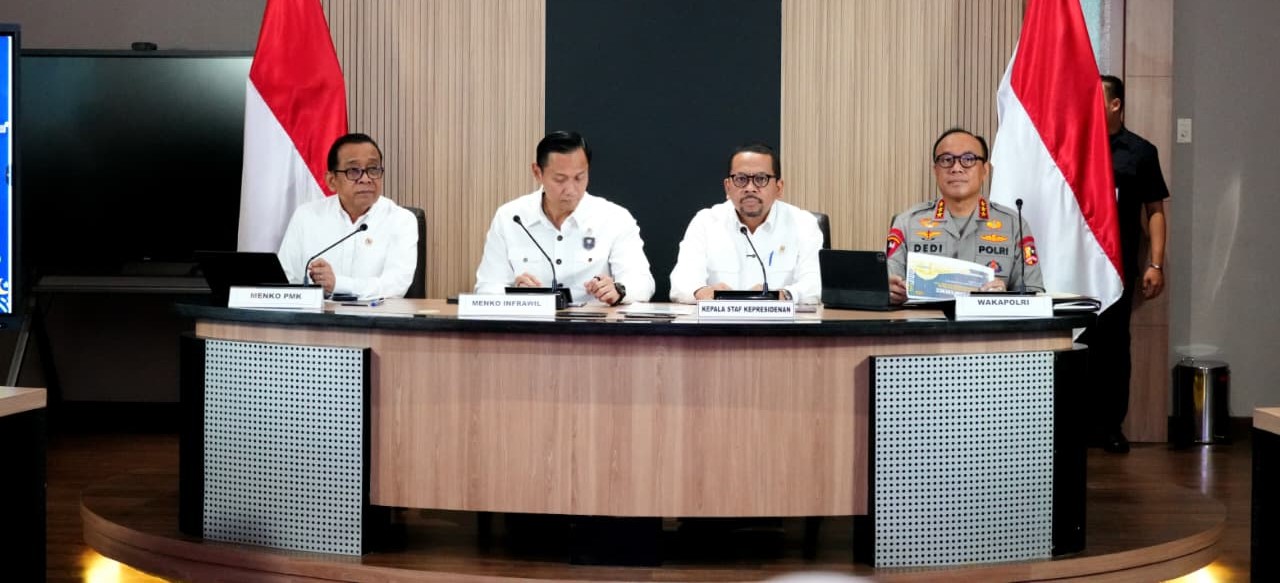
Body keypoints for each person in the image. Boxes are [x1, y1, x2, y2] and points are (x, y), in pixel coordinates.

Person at [1079, 75, 1170, 454]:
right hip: (1074, 265)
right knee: (1076, 343)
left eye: (1095, 98)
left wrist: (1156, 264)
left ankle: (1111, 426)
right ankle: (1075, 426)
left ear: (1115, 104)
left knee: (1114, 347)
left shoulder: (1141, 152)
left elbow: (1155, 211)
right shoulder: (1073, 146)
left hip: (1117, 267)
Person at [474, 131, 655, 305]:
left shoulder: (614, 218)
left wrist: (618, 290)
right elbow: (487, 288)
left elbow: (642, 284)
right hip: (531, 322)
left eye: (579, 178)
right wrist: (514, 294)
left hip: (594, 324)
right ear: (537, 172)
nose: (571, 190)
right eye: (560, 179)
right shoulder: (510, 218)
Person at [886, 128, 1043, 304]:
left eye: (968, 159)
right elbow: (888, 287)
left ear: (985, 170)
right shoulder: (907, 223)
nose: (956, 168)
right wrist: (889, 292)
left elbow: (1034, 295)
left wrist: (1003, 299)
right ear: (935, 170)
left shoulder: (1014, 225)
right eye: (946, 160)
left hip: (988, 320)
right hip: (924, 321)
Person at [668, 142, 823, 304]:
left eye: (761, 179)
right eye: (741, 179)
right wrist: (701, 292)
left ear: (779, 188)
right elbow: (681, 284)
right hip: (719, 319)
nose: (750, 188)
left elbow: (815, 285)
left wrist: (783, 295)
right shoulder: (706, 222)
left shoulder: (803, 224)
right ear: (727, 187)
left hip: (779, 320)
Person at [277, 133, 418, 300]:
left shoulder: (401, 220)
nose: (366, 179)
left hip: (376, 315)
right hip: (316, 315)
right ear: (331, 180)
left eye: (373, 169)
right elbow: (286, 280)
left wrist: (338, 284)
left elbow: (395, 285)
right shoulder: (306, 216)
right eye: (353, 171)